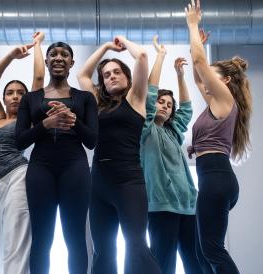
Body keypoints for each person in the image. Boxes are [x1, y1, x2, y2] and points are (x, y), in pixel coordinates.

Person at [77, 36, 161, 274]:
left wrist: (122, 41)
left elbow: (142, 57)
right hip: (99, 182)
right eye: (106, 74)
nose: (111, 76)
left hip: (128, 181)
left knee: (136, 245)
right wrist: (103, 47)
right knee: (103, 249)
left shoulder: (136, 99)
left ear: (127, 76)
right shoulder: (96, 103)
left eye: (116, 72)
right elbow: (83, 75)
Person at [15, 41, 98, 274]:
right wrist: (45, 124)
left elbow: (92, 140)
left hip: (75, 168)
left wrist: (74, 121)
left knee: (75, 239)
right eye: (53, 54)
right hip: (41, 168)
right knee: (42, 238)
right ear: (47, 61)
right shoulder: (30, 98)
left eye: (64, 54)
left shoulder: (85, 98)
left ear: (72, 63)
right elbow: (20, 141)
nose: (58, 58)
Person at [186, 1, 252, 273]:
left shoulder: (226, 99)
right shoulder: (215, 103)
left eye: (212, 77)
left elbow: (201, 64)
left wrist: (192, 23)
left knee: (212, 249)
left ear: (224, 81)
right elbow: (198, 73)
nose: (206, 82)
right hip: (214, 177)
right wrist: (196, 146)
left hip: (216, 179)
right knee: (205, 252)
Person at [0, 32, 45, 274]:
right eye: (11, 92)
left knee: (15, 238)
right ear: (5, 98)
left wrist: (37, 45)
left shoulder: (26, 119)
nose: (16, 96)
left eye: (20, 92)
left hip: (19, 176)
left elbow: (39, 77)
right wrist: (11, 55)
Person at [141, 35, 202, 274]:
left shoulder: (173, 132)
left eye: (169, 104)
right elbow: (148, 95)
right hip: (160, 208)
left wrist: (180, 76)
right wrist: (161, 56)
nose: (165, 105)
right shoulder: (145, 130)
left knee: (195, 264)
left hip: (188, 206)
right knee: (163, 266)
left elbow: (186, 109)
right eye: (160, 102)